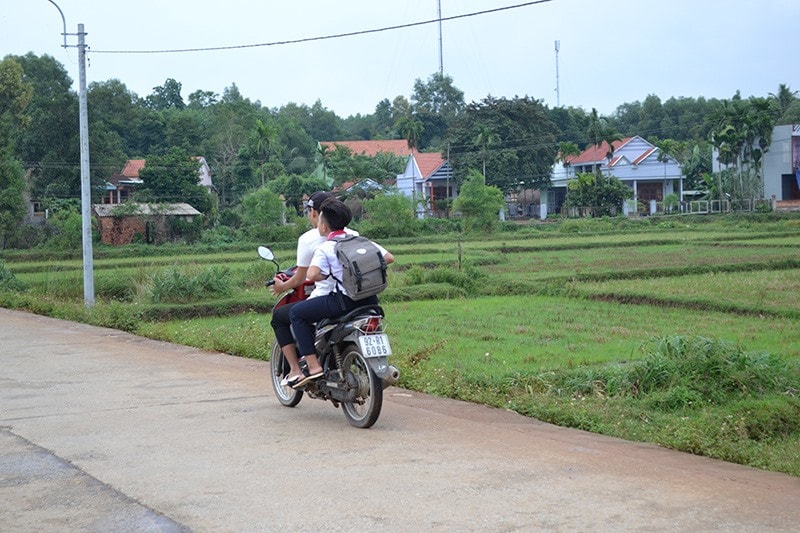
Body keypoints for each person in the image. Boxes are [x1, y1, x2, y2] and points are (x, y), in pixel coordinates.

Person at [288, 198, 394, 389]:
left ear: (323, 227)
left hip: (344, 302)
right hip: (370, 300)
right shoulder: (362, 241)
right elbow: (389, 257)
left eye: (320, 221)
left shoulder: (326, 247)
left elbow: (312, 274)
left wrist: (328, 274)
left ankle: (313, 367)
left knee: (296, 314)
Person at [268, 191, 332, 387]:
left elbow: (302, 277)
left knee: (284, 316)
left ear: (314, 213)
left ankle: (299, 369)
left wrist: (282, 287)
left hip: (329, 298)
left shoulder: (309, 239)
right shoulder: (352, 235)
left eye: (309, 211)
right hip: (353, 295)